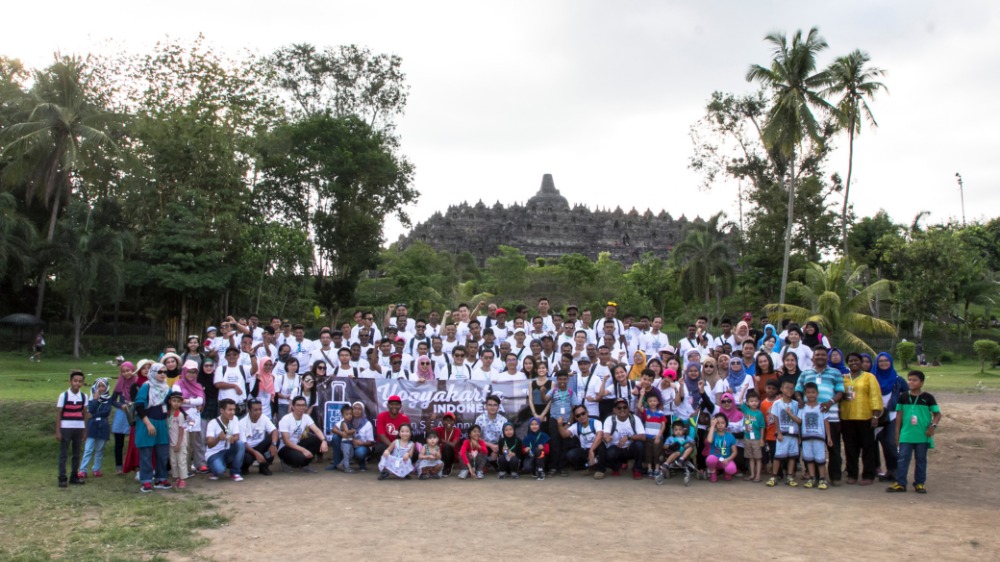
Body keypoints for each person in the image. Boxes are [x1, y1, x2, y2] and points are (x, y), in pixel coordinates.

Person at [795, 346, 845, 485]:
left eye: (823, 355)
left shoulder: (835, 373)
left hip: (831, 416)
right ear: (813, 357)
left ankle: (835, 477)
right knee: (811, 447)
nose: (820, 357)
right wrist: (800, 400)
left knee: (833, 447)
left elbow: (840, 392)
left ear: (827, 357)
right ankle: (815, 476)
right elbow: (798, 390)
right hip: (810, 418)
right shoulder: (806, 373)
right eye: (817, 355)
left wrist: (830, 402)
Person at [887, 370, 941, 494]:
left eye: (915, 380)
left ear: (922, 382)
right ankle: (901, 483)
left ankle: (919, 483)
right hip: (906, 434)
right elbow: (899, 416)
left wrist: (932, 426)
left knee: (921, 459)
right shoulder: (903, 396)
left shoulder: (928, 397)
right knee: (903, 458)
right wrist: (897, 434)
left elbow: (937, 414)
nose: (911, 382)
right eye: (909, 379)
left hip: (922, 434)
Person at [840, 352, 883, 485]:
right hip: (847, 418)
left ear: (861, 362)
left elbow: (875, 396)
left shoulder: (869, 377)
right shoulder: (844, 378)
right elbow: (838, 393)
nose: (853, 363)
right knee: (850, 448)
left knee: (868, 447)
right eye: (851, 361)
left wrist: (875, 415)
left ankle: (868, 475)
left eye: (856, 360)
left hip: (865, 417)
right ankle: (852, 474)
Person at [135, 363, 172, 492]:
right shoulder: (147, 387)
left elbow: (171, 404)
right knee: (146, 453)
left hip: (162, 422)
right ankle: (146, 480)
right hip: (148, 422)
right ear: (153, 373)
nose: (162, 374)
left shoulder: (167, 388)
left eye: (165, 372)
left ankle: (161, 478)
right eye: (159, 372)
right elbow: (139, 406)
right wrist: (148, 423)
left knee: (162, 453)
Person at [873, 352, 908, 482]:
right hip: (877, 416)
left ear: (891, 362)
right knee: (884, 444)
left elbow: (908, 395)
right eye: (880, 361)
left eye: (886, 360)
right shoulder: (872, 378)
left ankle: (899, 472)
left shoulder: (898, 380)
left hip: (893, 415)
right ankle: (890, 471)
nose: (883, 363)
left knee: (892, 444)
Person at [278, 396, 328, 472]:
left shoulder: (306, 417)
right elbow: (286, 441)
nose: (301, 408)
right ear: (293, 407)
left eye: (303, 405)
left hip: (297, 444)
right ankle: (285, 462)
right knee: (300, 458)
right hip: (284, 448)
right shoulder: (286, 419)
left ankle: (305, 465)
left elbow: (317, 430)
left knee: (317, 439)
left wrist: (324, 441)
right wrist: (303, 450)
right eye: (298, 405)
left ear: (305, 407)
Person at [56, 370, 89, 488]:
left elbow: (85, 413)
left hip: (78, 427)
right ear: (70, 382)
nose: (77, 383)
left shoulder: (84, 396)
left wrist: (85, 430)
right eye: (75, 381)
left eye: (80, 381)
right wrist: (58, 430)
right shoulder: (63, 395)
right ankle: (62, 478)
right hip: (66, 427)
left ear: (83, 383)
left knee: (76, 453)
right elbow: (59, 413)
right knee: (63, 453)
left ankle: (74, 476)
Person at [173, 360, 207, 474]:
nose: (191, 375)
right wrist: (193, 402)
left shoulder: (198, 385)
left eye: (194, 372)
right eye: (189, 372)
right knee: (183, 443)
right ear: (184, 371)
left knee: (191, 444)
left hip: (194, 419)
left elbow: (201, 400)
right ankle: (181, 468)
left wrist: (186, 400)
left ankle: (188, 467)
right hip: (183, 417)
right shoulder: (178, 384)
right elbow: (177, 400)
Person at [558, 405, 607, 480]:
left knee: (601, 447)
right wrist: (560, 425)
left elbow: (599, 436)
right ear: (576, 418)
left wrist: (591, 450)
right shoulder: (576, 426)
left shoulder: (596, 422)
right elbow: (564, 435)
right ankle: (589, 467)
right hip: (585, 449)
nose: (581, 416)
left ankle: (601, 470)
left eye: (583, 413)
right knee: (571, 455)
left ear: (587, 413)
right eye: (578, 415)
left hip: (596, 448)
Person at [767, 380, 801, 488]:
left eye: (792, 388)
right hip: (783, 433)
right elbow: (776, 418)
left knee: (792, 456)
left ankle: (790, 476)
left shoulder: (795, 404)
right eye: (787, 388)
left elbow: (799, 420)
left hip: (794, 434)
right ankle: (774, 476)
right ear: (781, 389)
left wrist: (799, 436)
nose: (789, 390)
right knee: (778, 456)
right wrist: (779, 432)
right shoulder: (777, 403)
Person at [799, 382, 832, 490]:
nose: (811, 395)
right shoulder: (803, 408)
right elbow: (800, 422)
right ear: (805, 394)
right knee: (809, 459)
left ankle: (822, 479)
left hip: (819, 438)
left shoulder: (822, 407)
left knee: (820, 459)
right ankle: (812, 478)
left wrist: (829, 437)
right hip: (806, 438)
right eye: (808, 393)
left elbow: (826, 422)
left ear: (817, 393)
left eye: (813, 392)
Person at [79, 378, 112, 479]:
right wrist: (95, 399)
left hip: (103, 425)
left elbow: (107, 412)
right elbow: (91, 409)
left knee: (100, 449)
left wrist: (95, 414)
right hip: (92, 425)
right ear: (96, 387)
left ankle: (96, 469)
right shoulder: (91, 398)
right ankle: (83, 470)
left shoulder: (108, 399)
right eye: (99, 386)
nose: (101, 388)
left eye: (103, 386)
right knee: (88, 449)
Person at [205, 398, 243, 482]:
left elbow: (237, 436)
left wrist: (229, 438)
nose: (233, 412)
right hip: (214, 453)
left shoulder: (235, 419)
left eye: (234, 409)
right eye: (230, 410)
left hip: (227, 450)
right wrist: (218, 438)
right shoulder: (212, 423)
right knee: (219, 470)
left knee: (240, 444)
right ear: (222, 410)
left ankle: (235, 472)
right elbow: (209, 444)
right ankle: (214, 470)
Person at [240, 399, 279, 476]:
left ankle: (264, 466)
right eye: (255, 410)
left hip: (261, 448)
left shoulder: (264, 418)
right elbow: (244, 443)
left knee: (275, 441)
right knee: (247, 459)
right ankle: (244, 468)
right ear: (248, 410)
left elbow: (274, 431)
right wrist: (256, 453)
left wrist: (273, 444)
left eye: (260, 409)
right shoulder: (242, 423)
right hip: (248, 449)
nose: (258, 412)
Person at [111, 361, 136, 475]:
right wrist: (120, 405)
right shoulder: (120, 383)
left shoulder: (137, 382)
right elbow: (112, 400)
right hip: (122, 413)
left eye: (128, 370)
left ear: (133, 370)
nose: (126, 373)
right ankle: (119, 466)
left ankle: (135, 465)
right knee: (119, 441)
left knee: (135, 441)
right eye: (123, 371)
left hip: (135, 412)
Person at [656, 420, 696, 485]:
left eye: (680, 430)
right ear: (673, 431)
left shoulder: (686, 437)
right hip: (674, 453)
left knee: (691, 447)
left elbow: (693, 442)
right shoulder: (671, 438)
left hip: (684, 453)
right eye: (676, 430)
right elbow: (665, 446)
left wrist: (688, 444)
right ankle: (666, 464)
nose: (678, 432)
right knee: (677, 453)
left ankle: (681, 459)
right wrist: (670, 446)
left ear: (683, 430)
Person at [636, 393, 667, 478]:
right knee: (648, 453)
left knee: (657, 453)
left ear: (657, 402)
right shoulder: (646, 411)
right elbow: (639, 406)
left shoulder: (660, 413)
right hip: (648, 437)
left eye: (654, 401)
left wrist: (658, 436)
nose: (652, 402)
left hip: (657, 437)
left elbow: (663, 425)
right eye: (650, 401)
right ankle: (649, 469)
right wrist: (642, 395)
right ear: (647, 403)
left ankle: (657, 469)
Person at [166, 392, 192, 488]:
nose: (176, 403)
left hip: (179, 442)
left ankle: (183, 479)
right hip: (171, 442)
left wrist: (178, 443)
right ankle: (176, 477)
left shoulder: (180, 415)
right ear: (170, 402)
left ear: (181, 403)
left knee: (181, 461)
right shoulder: (168, 414)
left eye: (178, 402)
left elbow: (181, 430)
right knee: (173, 461)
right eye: (174, 401)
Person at [740, 390, 766, 483]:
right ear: (747, 402)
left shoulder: (759, 414)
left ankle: (758, 475)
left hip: (756, 438)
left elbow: (762, 427)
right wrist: (744, 388)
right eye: (751, 401)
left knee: (758, 458)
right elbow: (740, 400)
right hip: (747, 438)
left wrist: (762, 439)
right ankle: (752, 474)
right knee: (750, 458)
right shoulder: (746, 410)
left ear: (758, 402)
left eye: (755, 401)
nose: (754, 403)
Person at [474, 395, 507, 462]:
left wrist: (497, 450)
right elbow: (475, 438)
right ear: (486, 406)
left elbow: (505, 439)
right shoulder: (480, 419)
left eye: (495, 405)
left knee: (507, 451)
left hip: (498, 446)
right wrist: (491, 445)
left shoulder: (503, 420)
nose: (492, 407)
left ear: (498, 407)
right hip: (483, 445)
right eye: (490, 405)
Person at [705, 413, 738, 482]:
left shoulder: (730, 436)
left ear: (726, 423)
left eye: (722, 423)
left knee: (732, 469)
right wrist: (712, 426)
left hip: (726, 460)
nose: (720, 425)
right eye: (718, 423)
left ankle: (726, 473)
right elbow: (709, 440)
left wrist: (728, 459)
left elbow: (735, 451)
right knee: (710, 459)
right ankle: (713, 472)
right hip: (715, 460)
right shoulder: (713, 434)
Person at [328, 404, 357, 472]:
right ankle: (347, 468)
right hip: (345, 442)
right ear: (342, 415)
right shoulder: (343, 422)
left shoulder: (351, 422)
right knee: (347, 455)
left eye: (350, 414)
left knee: (350, 455)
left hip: (350, 442)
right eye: (347, 414)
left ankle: (340, 465)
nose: (349, 416)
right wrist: (352, 431)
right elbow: (345, 431)